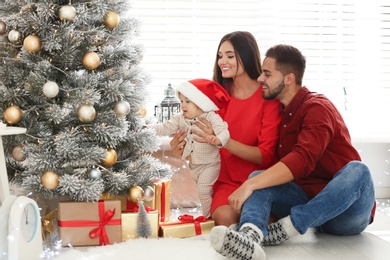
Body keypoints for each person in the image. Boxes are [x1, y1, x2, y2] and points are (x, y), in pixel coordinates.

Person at [209, 44, 376, 260]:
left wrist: (247, 185)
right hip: (306, 201)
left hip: (343, 214)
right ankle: (249, 238)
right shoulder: (282, 113)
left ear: (288, 79)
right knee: (259, 178)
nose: (260, 79)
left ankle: (288, 228)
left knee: (359, 171)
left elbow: (302, 159)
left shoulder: (317, 108)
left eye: (267, 74)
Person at [170, 31, 282, 226]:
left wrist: (224, 141)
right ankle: (258, 223)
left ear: (246, 56)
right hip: (226, 182)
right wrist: (182, 148)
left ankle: (264, 221)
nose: (223, 61)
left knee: (250, 213)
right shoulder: (214, 97)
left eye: (230, 56)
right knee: (224, 217)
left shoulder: (267, 99)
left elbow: (265, 156)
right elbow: (201, 144)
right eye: (220, 56)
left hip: (258, 181)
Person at [148, 78, 230, 218]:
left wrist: (217, 140)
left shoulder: (211, 117)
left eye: (188, 101)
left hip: (210, 164)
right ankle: (210, 215)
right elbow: (165, 127)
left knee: (203, 190)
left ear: (200, 102)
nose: (183, 105)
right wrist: (148, 129)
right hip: (193, 166)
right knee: (201, 192)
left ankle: (208, 217)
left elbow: (224, 132)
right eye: (181, 101)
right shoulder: (180, 118)